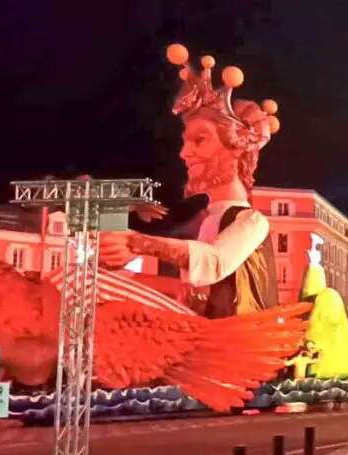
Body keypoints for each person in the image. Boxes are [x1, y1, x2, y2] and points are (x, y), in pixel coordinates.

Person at [100, 44, 280, 319]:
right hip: (210, 340)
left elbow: (213, 262)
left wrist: (140, 244)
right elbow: (196, 284)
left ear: (236, 149)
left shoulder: (252, 221)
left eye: (200, 140)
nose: (184, 153)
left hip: (241, 349)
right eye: (185, 142)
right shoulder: (209, 220)